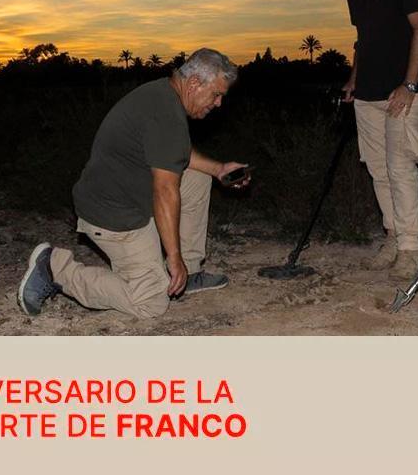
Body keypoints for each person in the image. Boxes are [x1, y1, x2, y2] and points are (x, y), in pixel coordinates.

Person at [17, 48, 249, 319]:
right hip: (114, 217)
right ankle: (55, 269)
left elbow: (177, 152)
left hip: (125, 195)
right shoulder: (166, 116)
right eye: (216, 94)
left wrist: (219, 169)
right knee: (150, 302)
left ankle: (192, 272)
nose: (219, 103)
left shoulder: (163, 94)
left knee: (197, 178)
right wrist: (174, 259)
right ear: (195, 83)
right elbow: (165, 191)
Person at [325, 0, 418, 279]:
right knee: (377, 168)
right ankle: (392, 235)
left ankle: (410, 247)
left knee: (401, 164)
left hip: (403, 87)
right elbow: (363, 40)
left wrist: (410, 84)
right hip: (368, 90)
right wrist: (354, 78)